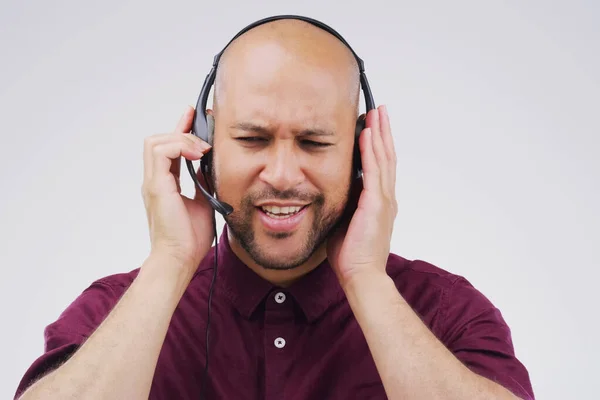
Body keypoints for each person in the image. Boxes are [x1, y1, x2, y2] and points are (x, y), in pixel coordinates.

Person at [14, 16, 534, 400]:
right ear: (205, 142)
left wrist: (365, 279)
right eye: (253, 139)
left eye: (313, 142)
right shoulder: (115, 311)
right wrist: (170, 262)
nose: (282, 176)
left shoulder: (447, 313)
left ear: (360, 152)